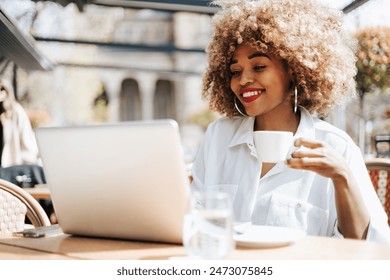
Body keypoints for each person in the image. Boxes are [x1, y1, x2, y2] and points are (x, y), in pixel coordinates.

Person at [191, 0, 390, 243]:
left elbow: (371, 247)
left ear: (294, 71)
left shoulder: (336, 146)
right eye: (235, 71)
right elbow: (193, 219)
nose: (243, 80)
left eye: (259, 66)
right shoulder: (218, 137)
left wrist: (342, 178)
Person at [0, 79, 41, 167]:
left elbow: (27, 144)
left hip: (9, 169)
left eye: (1, 89)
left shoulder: (16, 111)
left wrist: (24, 168)